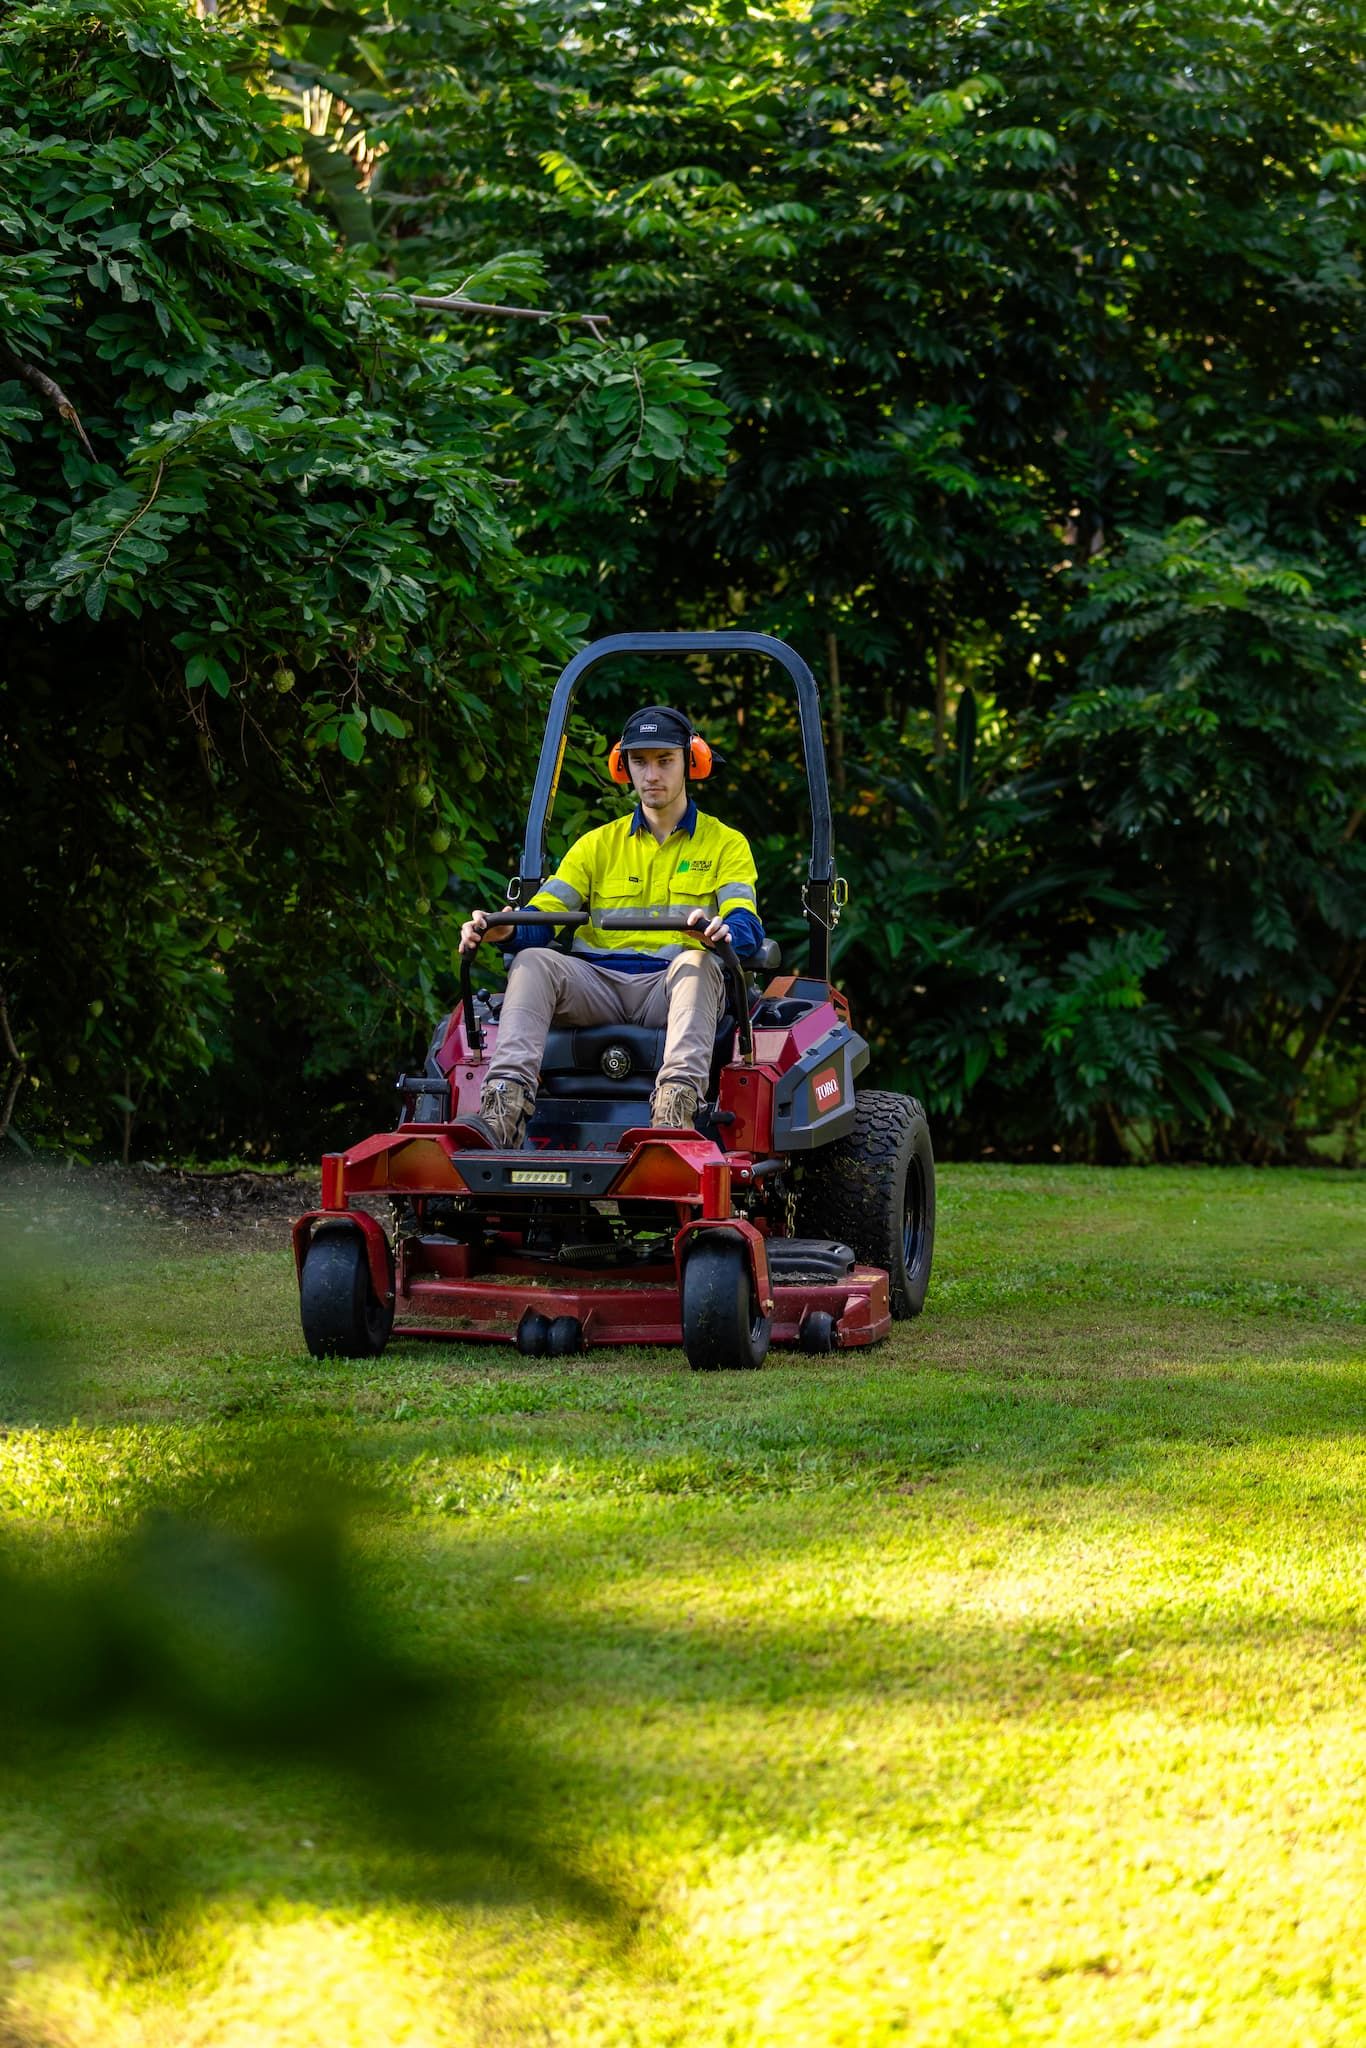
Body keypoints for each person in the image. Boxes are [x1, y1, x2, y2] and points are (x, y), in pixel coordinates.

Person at [459, 704, 766, 1148]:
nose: (651, 774)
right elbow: (541, 919)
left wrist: (720, 935)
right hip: (595, 983)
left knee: (700, 963)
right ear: (624, 767)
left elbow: (744, 920)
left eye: (665, 761)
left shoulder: (725, 843)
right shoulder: (596, 845)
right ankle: (502, 1111)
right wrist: (503, 929)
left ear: (691, 763)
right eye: (640, 762)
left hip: (671, 985)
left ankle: (674, 1118)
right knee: (532, 961)